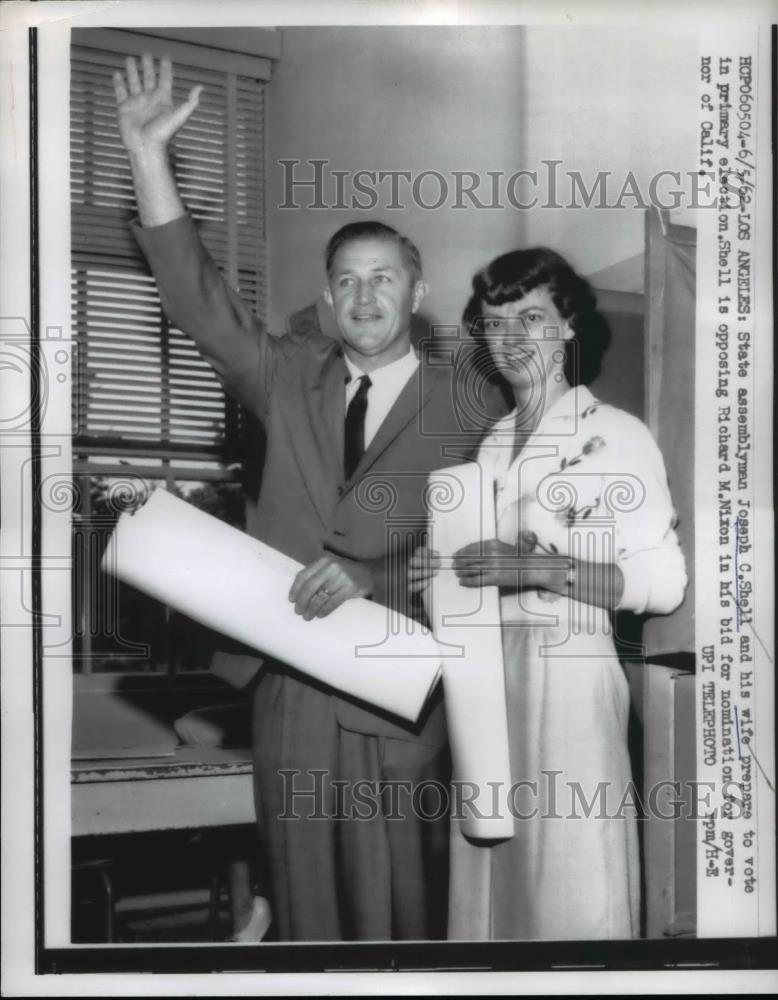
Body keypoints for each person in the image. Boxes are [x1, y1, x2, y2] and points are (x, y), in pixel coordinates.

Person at [112, 54, 503, 941]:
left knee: (402, 912)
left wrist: (379, 579)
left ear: (418, 292)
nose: (365, 296)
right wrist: (146, 156)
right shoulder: (286, 374)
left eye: (384, 277)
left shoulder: (471, 404)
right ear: (327, 299)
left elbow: (487, 556)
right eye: (348, 281)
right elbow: (201, 302)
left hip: (403, 691)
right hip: (288, 688)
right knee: (302, 908)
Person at [409, 248, 688, 940]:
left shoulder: (613, 434)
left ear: (567, 326)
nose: (510, 338)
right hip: (484, 678)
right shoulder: (492, 442)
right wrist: (438, 574)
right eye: (494, 322)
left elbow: (663, 581)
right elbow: (483, 569)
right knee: (492, 883)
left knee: (568, 883)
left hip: (568, 675)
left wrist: (537, 569)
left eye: (530, 318)